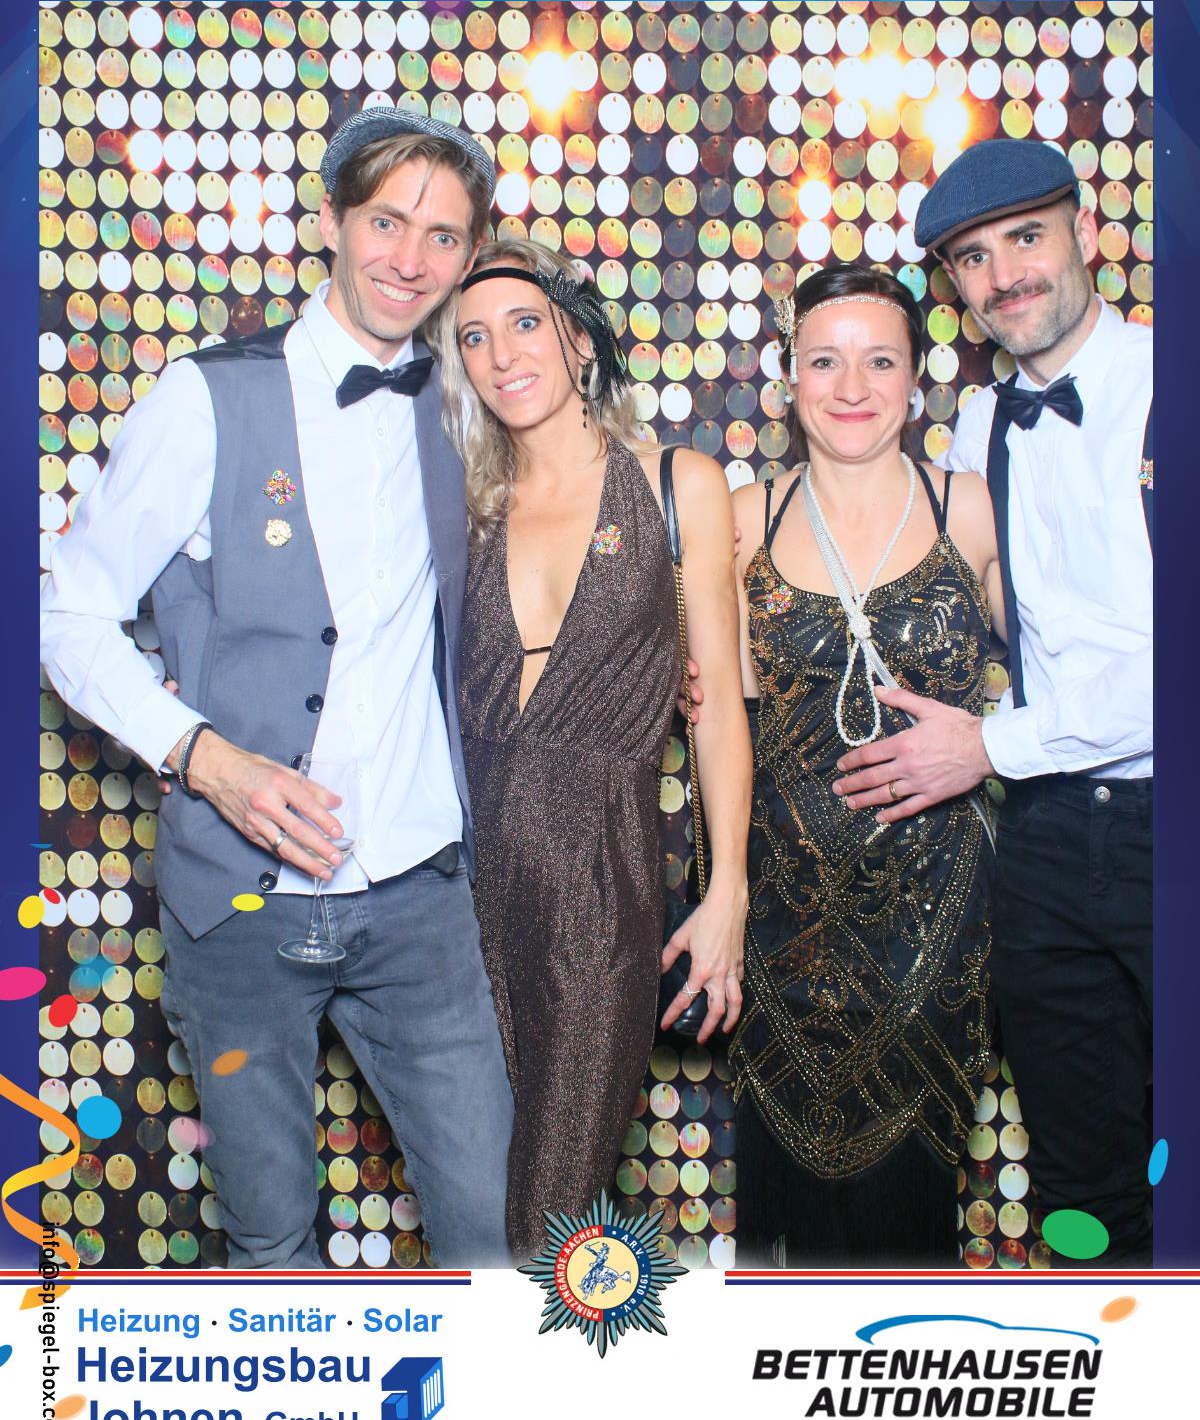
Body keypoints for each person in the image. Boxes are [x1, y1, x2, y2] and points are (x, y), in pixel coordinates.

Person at [40, 107, 516, 1268]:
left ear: (470, 254)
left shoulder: (474, 405)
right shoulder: (207, 397)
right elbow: (65, 610)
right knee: (270, 1243)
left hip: (420, 894)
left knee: (497, 1238)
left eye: (444, 236)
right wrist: (204, 758)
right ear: (332, 223)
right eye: (387, 222)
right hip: (239, 905)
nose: (410, 258)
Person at [832, 139, 1153, 1266]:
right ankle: (1116, 1355)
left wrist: (992, 745)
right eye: (973, 257)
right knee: (1080, 1175)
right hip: (1048, 841)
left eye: (1026, 238)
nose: (1005, 275)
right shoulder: (976, 431)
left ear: (1087, 233)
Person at [430, 239, 752, 1262]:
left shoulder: (675, 483)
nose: (501, 355)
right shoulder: (458, 505)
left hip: (597, 896)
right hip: (448, 905)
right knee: (474, 1219)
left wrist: (729, 892)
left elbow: (718, 706)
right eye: (473, 338)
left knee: (546, 1219)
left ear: (579, 340)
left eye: (525, 324)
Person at [729, 263, 1004, 1267]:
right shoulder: (743, 516)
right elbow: (711, 715)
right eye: (826, 361)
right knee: (788, 1231)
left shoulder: (968, 507)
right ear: (789, 378)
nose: (852, 387)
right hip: (783, 928)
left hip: (935, 929)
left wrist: (988, 739)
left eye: (880, 361)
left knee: (907, 1226)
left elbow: (1075, 666)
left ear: (917, 381)